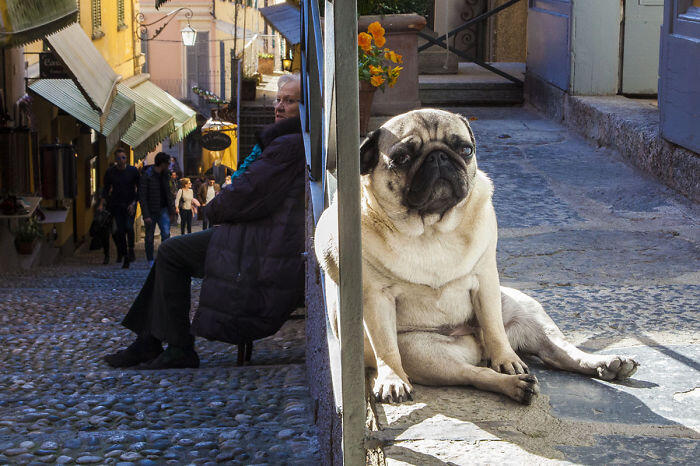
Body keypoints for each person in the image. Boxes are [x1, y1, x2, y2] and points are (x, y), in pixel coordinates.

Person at [104, 74, 305, 369]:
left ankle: (178, 347)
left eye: (289, 101)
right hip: (260, 238)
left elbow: (246, 193)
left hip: (263, 247)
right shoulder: (289, 140)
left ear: (306, 106)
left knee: (171, 252)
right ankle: (150, 340)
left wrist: (212, 210)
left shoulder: (287, 145)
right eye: (278, 99)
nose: (279, 106)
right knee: (171, 250)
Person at [101, 148, 139, 267]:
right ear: (115, 159)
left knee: (129, 226)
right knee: (120, 231)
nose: (121, 160)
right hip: (116, 205)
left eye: (123, 158)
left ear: (126, 158)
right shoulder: (111, 172)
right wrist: (102, 203)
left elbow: (139, 188)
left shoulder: (133, 171)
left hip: (130, 205)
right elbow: (106, 189)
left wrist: (134, 203)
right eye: (119, 158)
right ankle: (125, 254)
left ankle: (131, 249)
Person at [139, 152, 174, 266]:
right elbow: (142, 196)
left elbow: (169, 193)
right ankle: (150, 259)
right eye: (168, 163)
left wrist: (171, 210)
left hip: (163, 209)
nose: (169, 165)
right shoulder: (147, 175)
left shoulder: (166, 174)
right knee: (149, 237)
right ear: (162, 163)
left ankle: (164, 258)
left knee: (166, 235)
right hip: (151, 210)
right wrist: (146, 215)